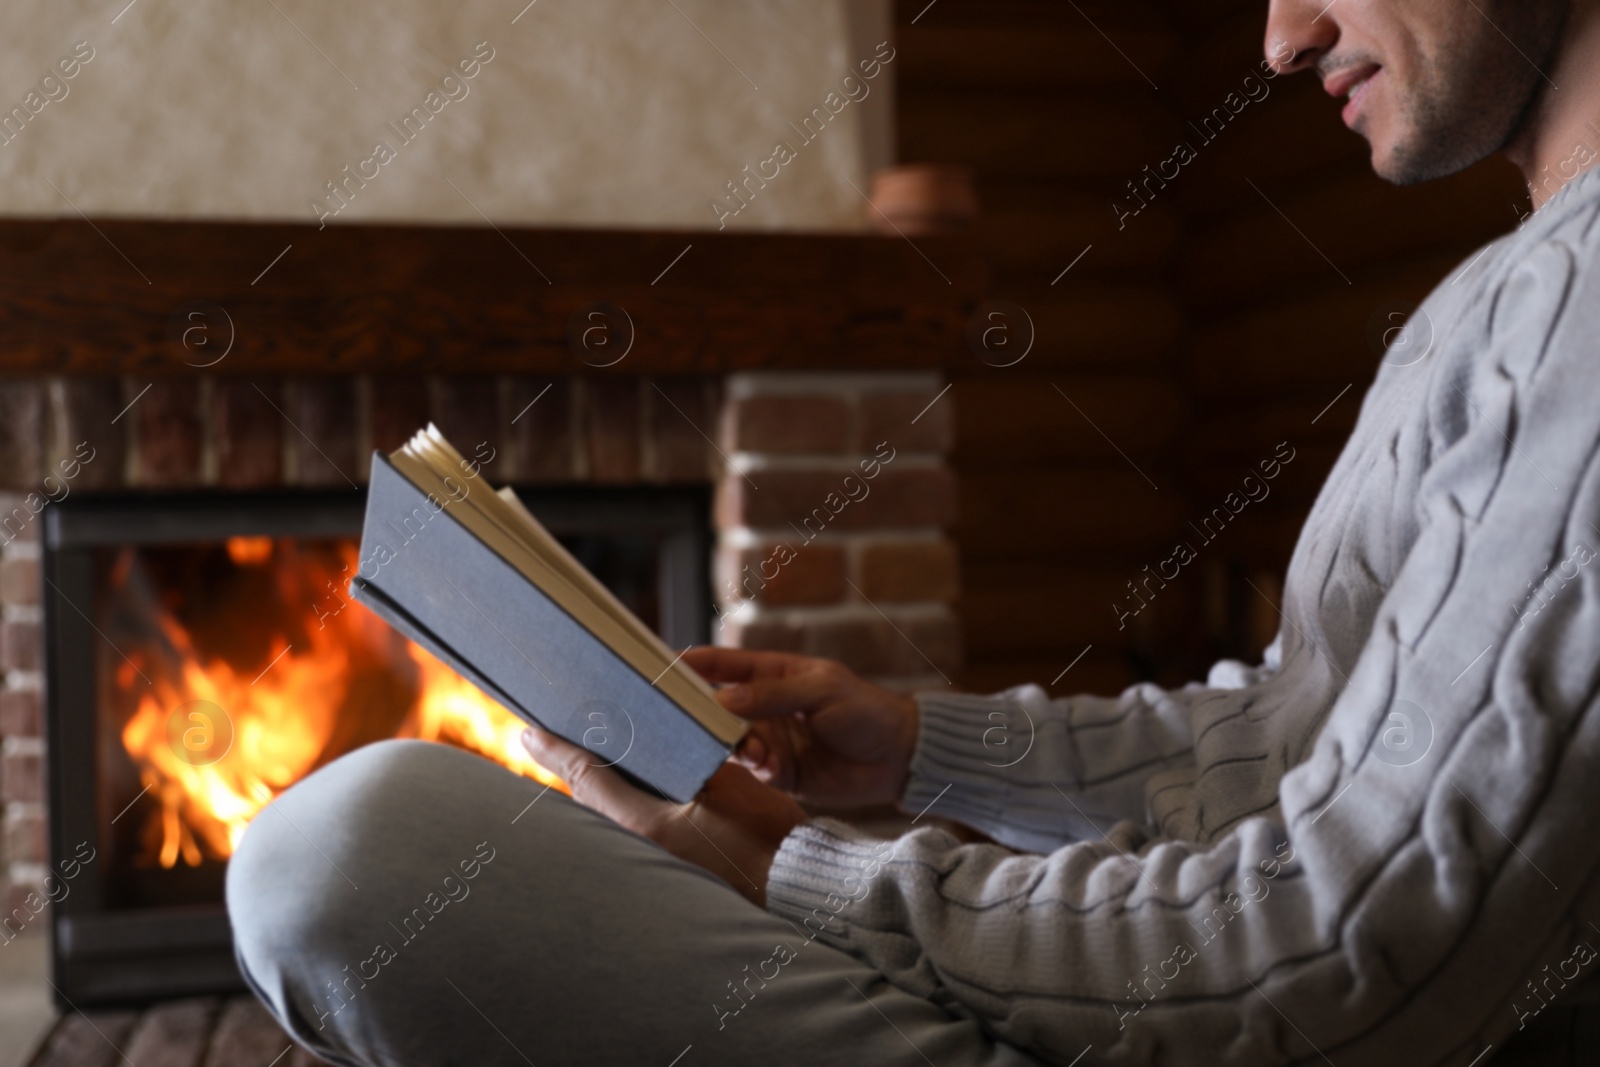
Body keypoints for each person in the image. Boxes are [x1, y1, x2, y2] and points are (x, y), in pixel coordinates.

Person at [227, 0, 1600, 1063]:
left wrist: (779, 865)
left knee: (352, 855)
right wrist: (923, 747)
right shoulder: (1497, 301)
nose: (1282, 39)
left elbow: (1350, 955)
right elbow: (1301, 743)